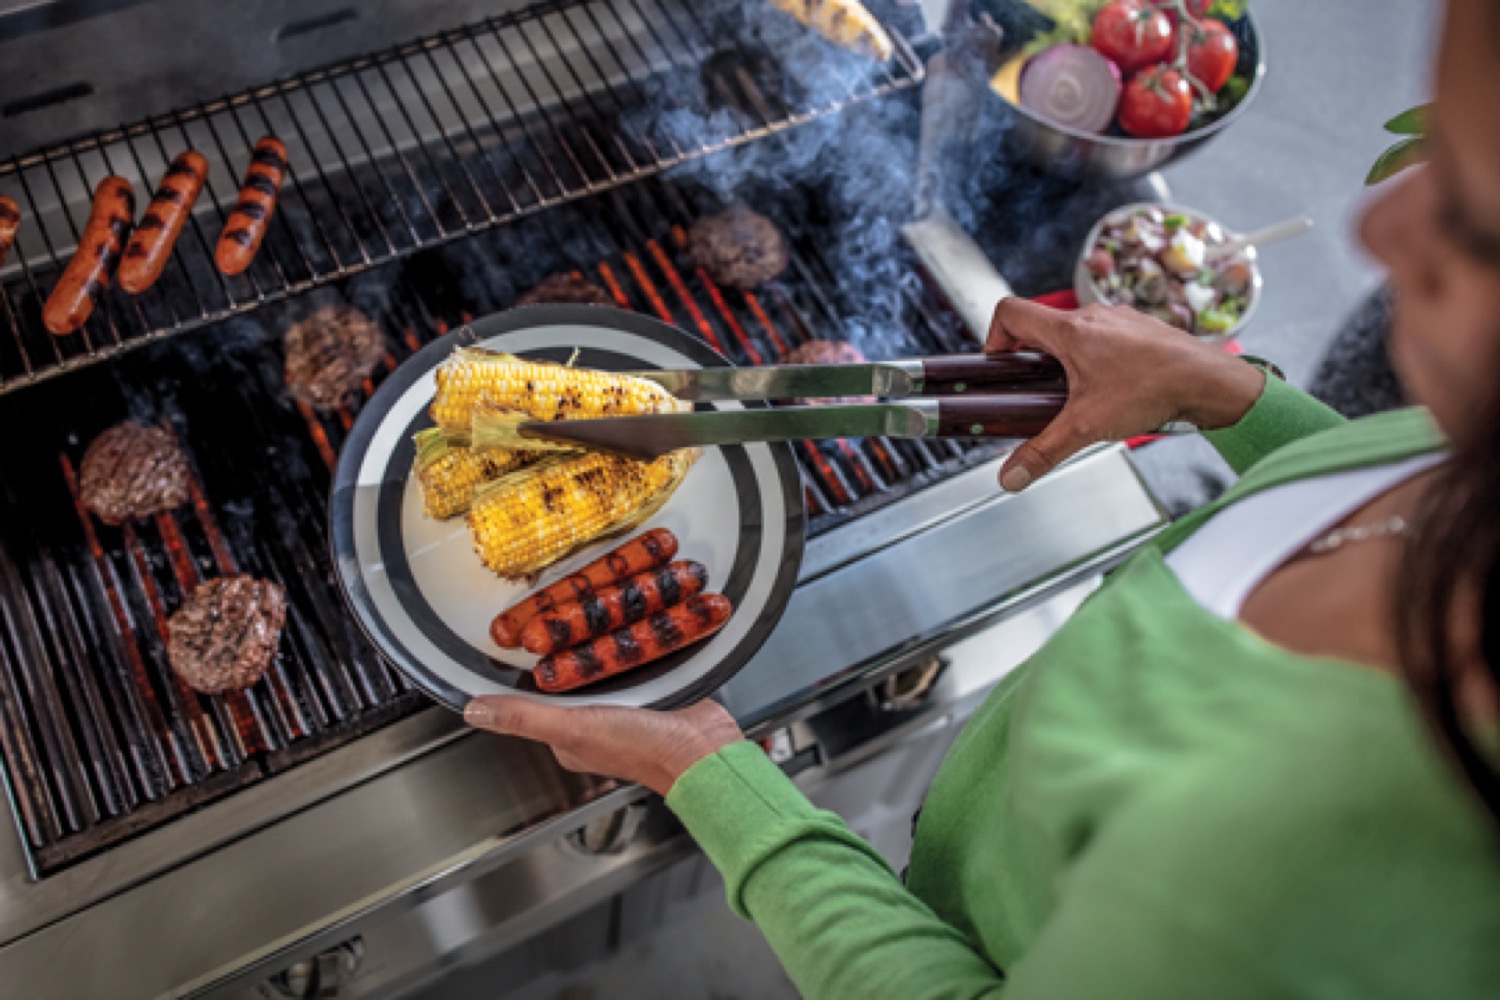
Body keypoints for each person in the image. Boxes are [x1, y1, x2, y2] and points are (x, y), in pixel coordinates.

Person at [462, 0, 1500, 993]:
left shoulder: (1308, 860)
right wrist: (1225, 392)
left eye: (1470, 217)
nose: (1379, 227)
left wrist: (717, 778)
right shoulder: (1467, 458)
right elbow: (1366, 467)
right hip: (974, 844)